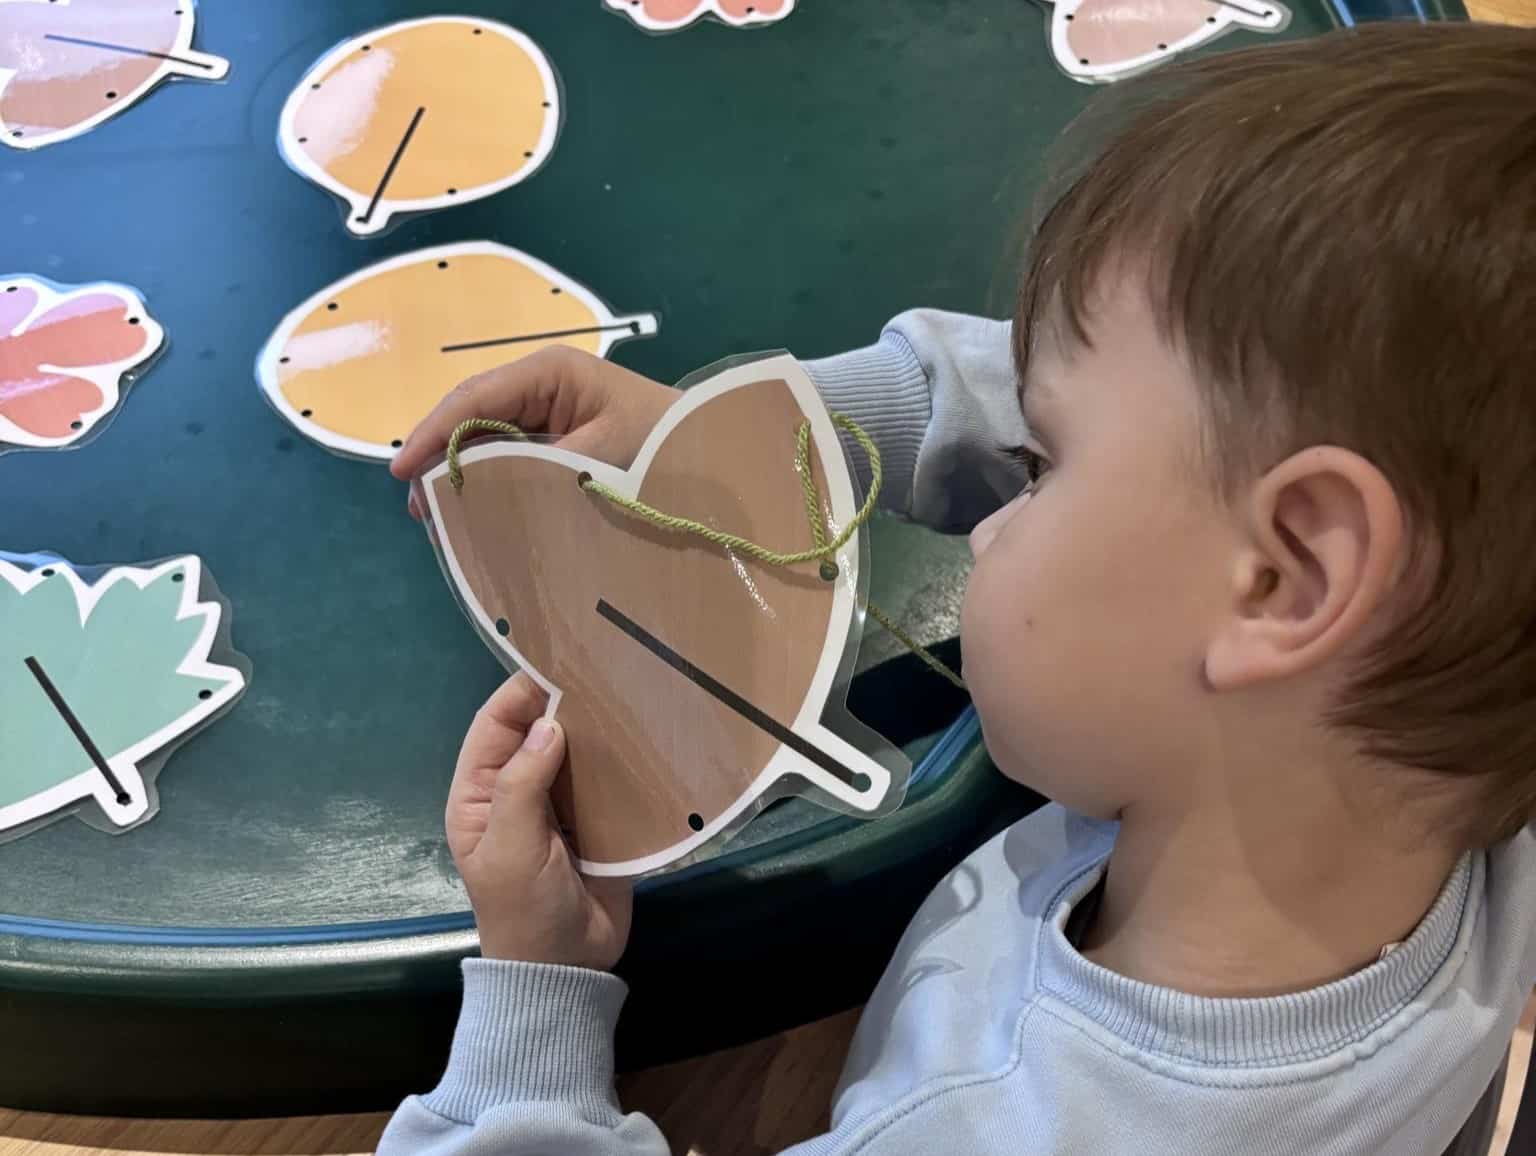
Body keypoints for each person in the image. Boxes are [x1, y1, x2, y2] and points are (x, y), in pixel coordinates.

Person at [379, 22, 1536, 1154]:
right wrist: (756, 448)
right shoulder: (1457, 709)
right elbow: (1140, 407)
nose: (992, 522)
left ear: (1287, 579)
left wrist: (539, 991)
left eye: (1040, 464)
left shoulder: (989, 1124)